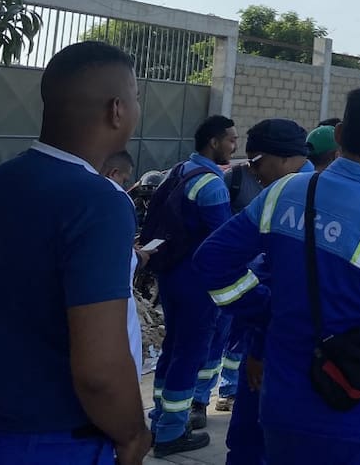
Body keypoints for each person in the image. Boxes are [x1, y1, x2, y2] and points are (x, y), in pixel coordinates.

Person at [194, 85, 360, 464]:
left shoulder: (284, 192)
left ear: (339, 134)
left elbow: (210, 261)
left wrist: (264, 310)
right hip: (355, 417)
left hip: (280, 409)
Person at [0, 41, 150, 465]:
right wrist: (133, 435)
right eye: (136, 96)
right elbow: (99, 370)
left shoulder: (1, 180)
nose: (137, 107)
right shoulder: (99, 202)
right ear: (117, 109)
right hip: (54, 441)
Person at [218, 120, 313, 465]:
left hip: (276, 351)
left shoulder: (285, 196)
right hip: (322, 363)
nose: (253, 171)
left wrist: (258, 316)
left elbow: (213, 260)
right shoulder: (330, 194)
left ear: (287, 158)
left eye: (257, 160)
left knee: (251, 443)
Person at [146, 115, 237, 456]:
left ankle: (159, 419)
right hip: (197, 281)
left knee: (174, 346)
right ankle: (171, 431)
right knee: (191, 352)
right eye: (230, 139)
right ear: (214, 142)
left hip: (170, 274)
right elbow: (222, 240)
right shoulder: (212, 185)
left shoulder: (179, 171)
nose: (234, 145)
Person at [99, 151, 145, 379]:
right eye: (125, 179)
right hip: (115, 298)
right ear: (114, 172)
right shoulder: (115, 197)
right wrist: (139, 257)